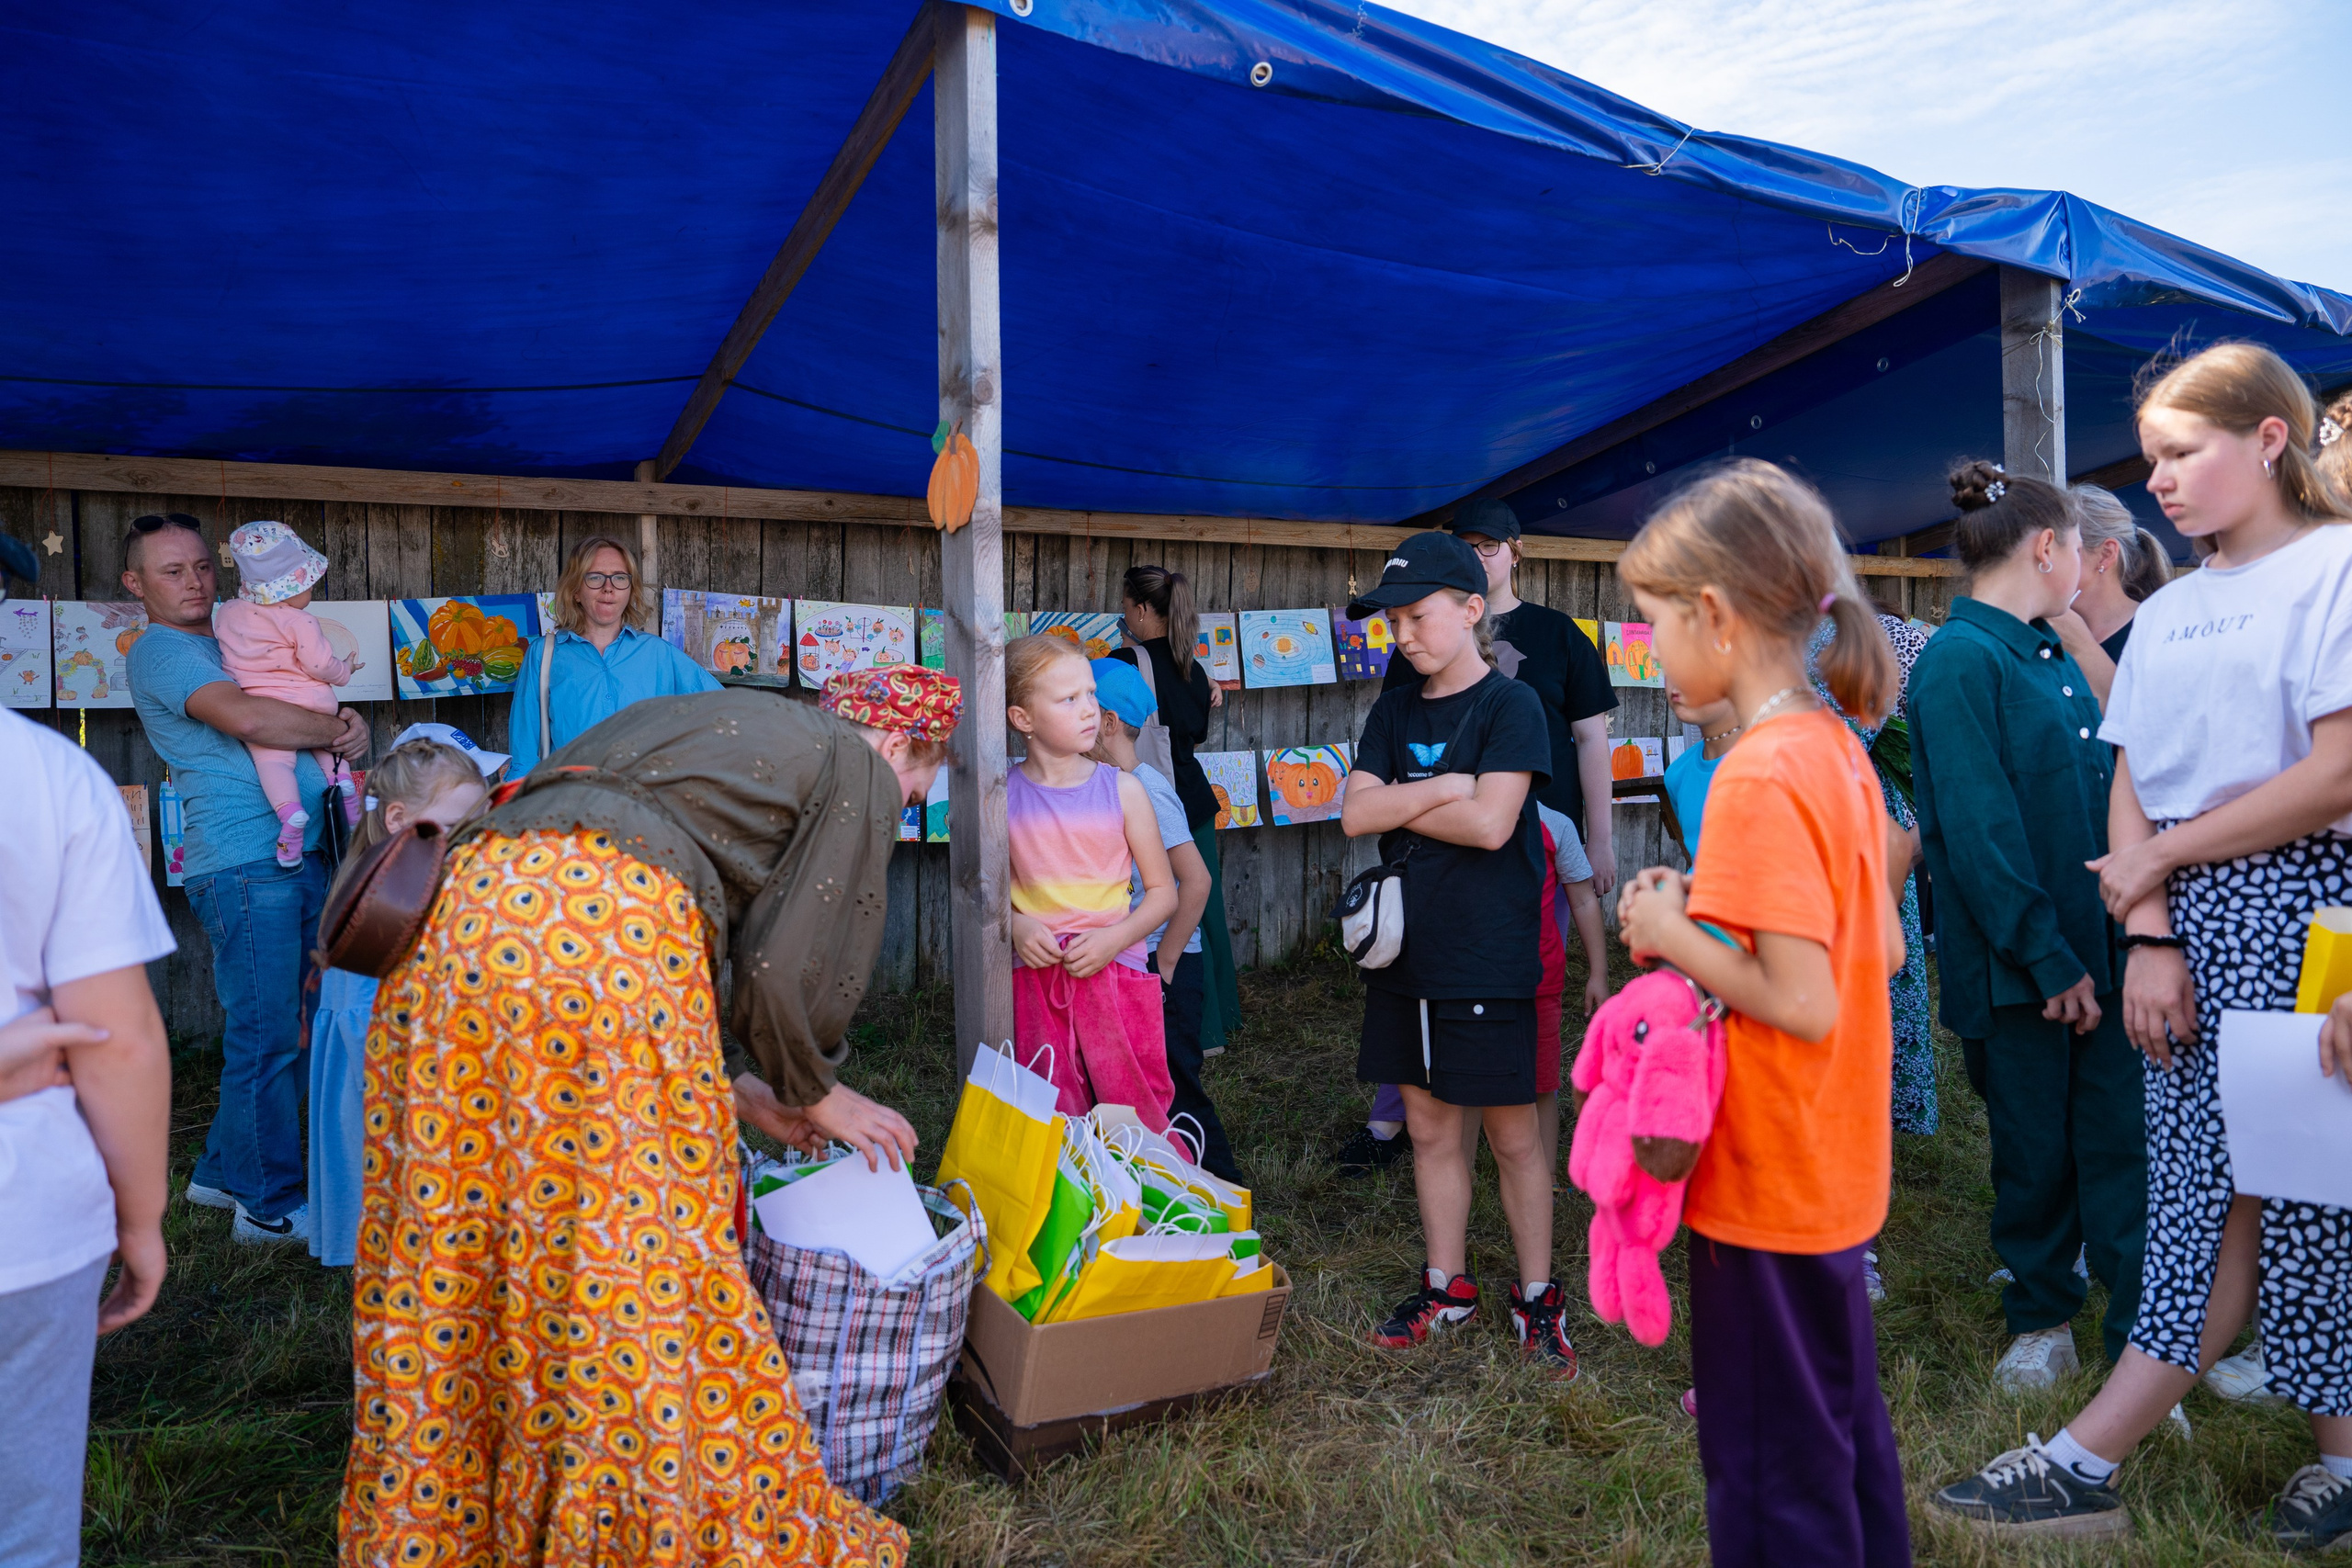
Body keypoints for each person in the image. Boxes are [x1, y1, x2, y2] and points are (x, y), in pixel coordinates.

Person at [343, 668, 956, 1568]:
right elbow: (787, 968)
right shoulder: (854, 763)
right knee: (632, 1252)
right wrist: (813, 1087)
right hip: (605, 943)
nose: (898, 809)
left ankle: (441, 1524)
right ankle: (632, 1530)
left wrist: (740, 1089)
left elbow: (649, 913)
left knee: (465, 1237)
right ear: (901, 745)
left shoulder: (702, 724)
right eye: (914, 793)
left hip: (455, 928)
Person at [1932, 342, 2352, 1550]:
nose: (2158, 480)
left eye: (2183, 452)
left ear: (2270, 439)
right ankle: (2147, 1452)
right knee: (2204, 1193)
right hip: (2184, 924)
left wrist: (2161, 864)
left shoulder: (2334, 569)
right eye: (2152, 457)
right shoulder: (2171, 613)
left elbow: (2333, 773)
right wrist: (2151, 931)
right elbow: (2135, 772)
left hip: (2312, 910)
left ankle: (2108, 1455)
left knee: (2302, 1192)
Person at [1614, 459, 1909, 1567]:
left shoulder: (1750, 774)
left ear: (1715, 616)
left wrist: (1669, 929)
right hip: (1835, 1170)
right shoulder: (1836, 747)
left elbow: (1800, 997)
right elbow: (1875, 946)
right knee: (1838, 1439)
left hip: (1764, 1181)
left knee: (1767, 1477)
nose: (1649, 653)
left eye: (1651, 626)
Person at [1905, 461, 2141, 1393]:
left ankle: (2140, 1350)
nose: (2085, 566)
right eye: (2078, 548)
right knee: (2036, 1154)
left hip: (2105, 952)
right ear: (2046, 548)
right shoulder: (1961, 662)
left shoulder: (2050, 655)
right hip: (2020, 970)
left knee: (2122, 1150)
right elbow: (1976, 832)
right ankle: (2041, 1318)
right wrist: (2047, 958)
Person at [1342, 532, 1577, 1375]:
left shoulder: (1511, 707)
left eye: (1417, 615)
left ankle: (1538, 1296)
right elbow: (1352, 813)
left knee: (1515, 1136)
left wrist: (1407, 801)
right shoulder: (1396, 708)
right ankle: (1448, 1287)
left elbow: (1493, 825)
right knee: (1433, 1125)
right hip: (1408, 951)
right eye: (1392, 619)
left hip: (1490, 952)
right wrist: (1446, 786)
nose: (1401, 633)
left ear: (1472, 609)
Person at [1341, 496, 1619, 1176]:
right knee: (1416, 981)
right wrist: (1441, 791)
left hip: (1538, 839)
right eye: (1466, 542)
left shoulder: (1559, 636)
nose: (1480, 551)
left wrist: (1601, 837)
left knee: (1520, 986)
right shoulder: (1417, 648)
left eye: (1489, 543)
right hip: (1427, 862)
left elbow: (1590, 738)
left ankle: (1521, 1145)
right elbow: (1369, 793)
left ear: (1515, 551)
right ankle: (1410, 1123)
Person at [122, 513, 370, 1245]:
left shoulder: (240, 628)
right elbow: (247, 716)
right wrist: (329, 727)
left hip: (293, 849)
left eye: (202, 565)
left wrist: (346, 723)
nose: (194, 580)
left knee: (292, 1021)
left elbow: (298, 696)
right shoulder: (164, 652)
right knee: (267, 1032)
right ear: (136, 583)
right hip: (243, 858)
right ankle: (266, 1206)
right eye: (172, 571)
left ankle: (222, 1171)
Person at [0, 705, 175, 1565]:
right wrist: (140, 1223)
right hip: (25, 1221)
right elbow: (121, 1042)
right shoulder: (47, 774)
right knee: (23, 1527)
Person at [304, 732, 495, 1269]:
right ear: (395, 820)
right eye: (458, 825)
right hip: (393, 1085)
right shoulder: (391, 903)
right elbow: (370, 1020)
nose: (472, 840)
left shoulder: (419, 880)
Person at [1005, 636, 1179, 1125]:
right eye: (1069, 699)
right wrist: (1016, 925)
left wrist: (1112, 940)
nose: (1089, 710)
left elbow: (1164, 893)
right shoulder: (1000, 798)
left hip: (1115, 972)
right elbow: (985, 886)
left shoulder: (1124, 791)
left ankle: (1148, 1198)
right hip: (1036, 979)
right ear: (1024, 719)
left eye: (1089, 694)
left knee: (1133, 1107)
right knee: (1049, 1110)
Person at [1086, 657, 1239, 1181]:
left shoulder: (1145, 788)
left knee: (1177, 1088)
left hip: (1164, 963)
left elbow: (1195, 883)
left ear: (1107, 722)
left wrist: (1167, 961)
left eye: (1081, 704)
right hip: (1132, 958)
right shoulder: (1102, 784)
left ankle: (1226, 1194)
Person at [1108, 564, 1243, 1061]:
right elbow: (1198, 731)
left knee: (1169, 910)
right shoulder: (1194, 665)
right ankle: (1223, 1018)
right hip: (1195, 798)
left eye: (1125, 608)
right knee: (1203, 907)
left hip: (1154, 801)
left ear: (1143, 610)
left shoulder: (1126, 661)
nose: (1123, 619)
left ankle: (1200, 1032)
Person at [505, 534, 718, 775]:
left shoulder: (659, 654)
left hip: (642, 804)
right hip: (572, 803)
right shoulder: (544, 655)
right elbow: (523, 756)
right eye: (595, 577)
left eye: (619, 578)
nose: (609, 588)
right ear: (575, 591)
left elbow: (723, 711)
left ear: (629, 591)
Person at [213, 521, 362, 863]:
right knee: (329, 749)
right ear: (291, 587)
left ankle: (290, 814)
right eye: (308, 584)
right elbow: (320, 666)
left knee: (274, 762)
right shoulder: (301, 621)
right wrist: (345, 669)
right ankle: (349, 800)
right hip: (312, 701)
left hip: (265, 704)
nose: (310, 592)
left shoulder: (228, 613)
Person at [2049, 483, 2172, 705]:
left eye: (2059, 548)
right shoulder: (2044, 630)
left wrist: (2082, 647)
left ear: (2106, 555)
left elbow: (2152, 724)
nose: (2044, 562)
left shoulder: (2160, 630)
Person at [1660, 684, 1736, 860]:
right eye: (1668, 669)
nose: (1677, 681)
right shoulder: (1677, 774)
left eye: (1691, 665)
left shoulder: (1775, 758)